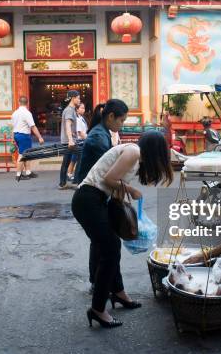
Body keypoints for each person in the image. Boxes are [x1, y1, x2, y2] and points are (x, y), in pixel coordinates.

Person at [72, 131, 174, 328]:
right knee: (110, 250)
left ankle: (118, 293)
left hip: (97, 200)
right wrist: (131, 190)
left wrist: (122, 194)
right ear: (156, 151)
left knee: (109, 248)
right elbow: (109, 178)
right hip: (88, 200)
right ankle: (98, 309)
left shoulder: (135, 155)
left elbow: (112, 181)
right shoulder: (134, 151)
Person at [73, 99, 129, 290]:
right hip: (91, 194)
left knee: (102, 241)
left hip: (94, 193)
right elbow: (108, 172)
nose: (122, 125)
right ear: (111, 117)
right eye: (121, 120)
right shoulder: (99, 136)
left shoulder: (102, 132)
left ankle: (107, 285)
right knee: (104, 242)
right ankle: (100, 283)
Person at [11, 96, 44, 180]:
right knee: (22, 155)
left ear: (19, 102)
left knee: (26, 154)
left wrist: (12, 138)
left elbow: (13, 127)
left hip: (17, 135)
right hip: (24, 135)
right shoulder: (27, 113)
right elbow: (33, 126)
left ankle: (28, 172)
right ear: (27, 103)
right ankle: (18, 174)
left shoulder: (15, 113)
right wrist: (40, 137)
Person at [58, 90, 81, 189]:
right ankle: (76, 181)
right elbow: (68, 125)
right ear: (73, 98)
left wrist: (72, 134)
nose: (79, 100)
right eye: (78, 98)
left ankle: (62, 183)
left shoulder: (70, 110)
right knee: (82, 155)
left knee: (66, 162)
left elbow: (69, 127)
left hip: (68, 140)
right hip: (69, 142)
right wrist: (71, 140)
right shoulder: (69, 110)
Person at [67, 103, 88, 181]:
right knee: (74, 159)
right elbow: (79, 132)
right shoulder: (77, 119)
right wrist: (88, 138)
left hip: (82, 141)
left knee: (76, 159)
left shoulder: (81, 118)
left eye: (84, 108)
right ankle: (69, 174)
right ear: (77, 109)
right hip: (79, 141)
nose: (83, 110)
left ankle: (72, 174)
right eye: (81, 108)